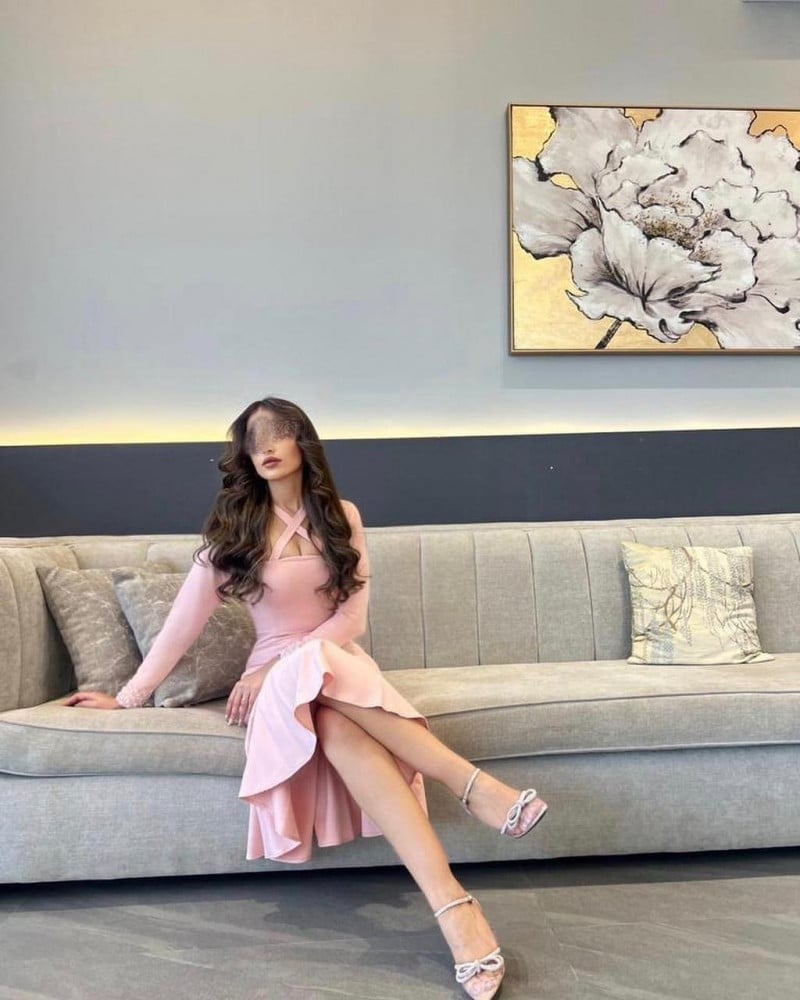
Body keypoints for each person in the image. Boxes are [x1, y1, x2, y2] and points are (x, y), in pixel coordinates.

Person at [64, 396, 548, 999]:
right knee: (314, 666)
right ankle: (471, 786)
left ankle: (453, 907)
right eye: (252, 439)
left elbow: (352, 619)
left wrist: (291, 662)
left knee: (338, 717)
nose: (264, 446)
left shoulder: (342, 517)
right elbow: (181, 627)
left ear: (303, 443)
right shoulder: (234, 533)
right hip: (273, 681)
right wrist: (129, 697)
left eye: (278, 433)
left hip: (338, 666)